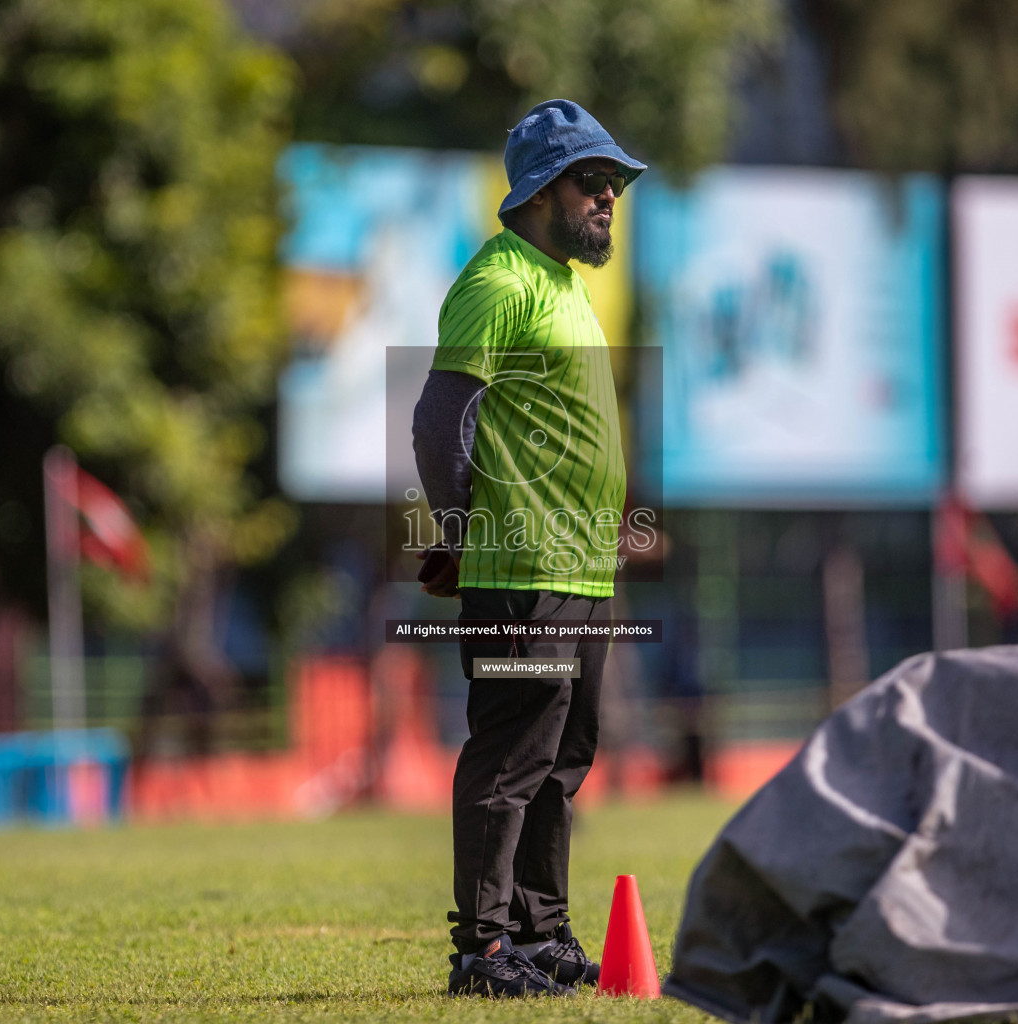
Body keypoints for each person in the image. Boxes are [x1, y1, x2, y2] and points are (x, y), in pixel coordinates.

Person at [411, 99, 645, 998]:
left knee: (563, 758)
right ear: (544, 189)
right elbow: (441, 418)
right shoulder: (498, 282)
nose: (610, 197)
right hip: (522, 574)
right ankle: (484, 951)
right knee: (511, 757)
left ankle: (541, 934)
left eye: (616, 183)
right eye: (596, 180)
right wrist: (458, 531)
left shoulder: (565, 287)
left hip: (582, 573)